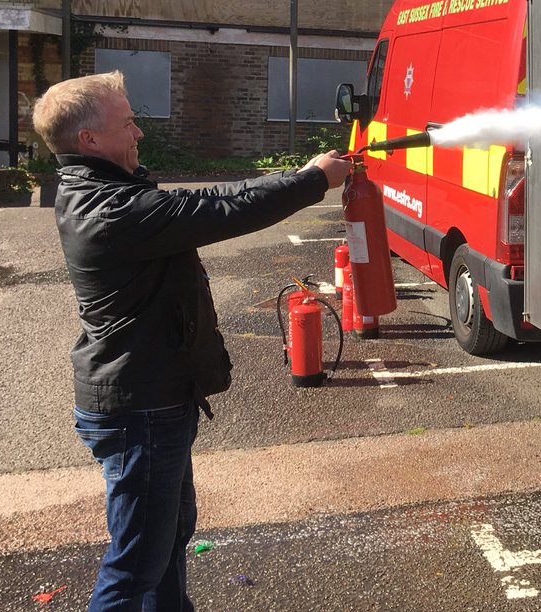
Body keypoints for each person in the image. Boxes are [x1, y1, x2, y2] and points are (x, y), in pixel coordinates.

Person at [31, 71, 351, 611]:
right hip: (141, 408)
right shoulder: (111, 211)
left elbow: (207, 198)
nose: (138, 134)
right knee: (136, 565)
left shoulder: (107, 190)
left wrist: (303, 174)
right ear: (89, 141)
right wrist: (313, 181)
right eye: (128, 123)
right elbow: (219, 211)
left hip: (152, 400)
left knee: (170, 538)